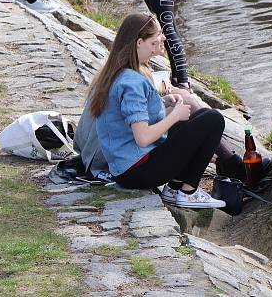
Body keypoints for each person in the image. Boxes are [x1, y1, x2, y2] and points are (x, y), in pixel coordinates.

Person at [87, 12, 226, 209]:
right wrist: (175, 116)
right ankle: (189, 192)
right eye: (155, 38)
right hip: (136, 170)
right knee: (213, 119)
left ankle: (174, 187)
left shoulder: (122, 72)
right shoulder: (132, 82)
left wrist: (165, 102)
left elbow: (135, 118)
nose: (163, 38)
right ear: (139, 43)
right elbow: (142, 137)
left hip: (127, 167)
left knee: (202, 116)